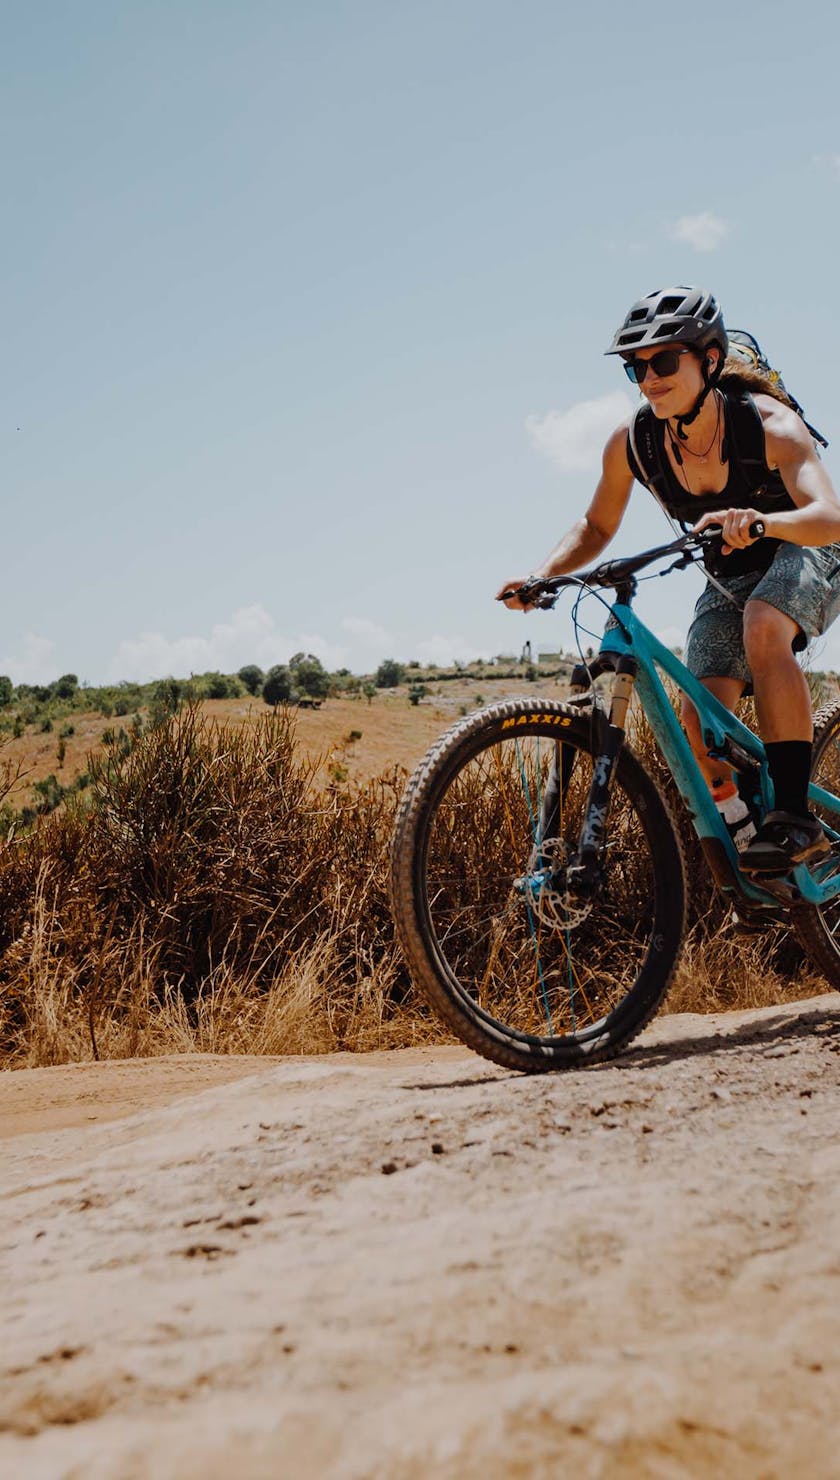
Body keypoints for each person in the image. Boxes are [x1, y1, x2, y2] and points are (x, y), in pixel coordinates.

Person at [498, 285, 840, 871]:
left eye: (663, 362)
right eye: (636, 367)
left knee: (764, 625)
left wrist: (761, 522)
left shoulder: (770, 426)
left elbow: (829, 517)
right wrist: (542, 574)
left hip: (807, 547)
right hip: (730, 572)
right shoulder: (634, 442)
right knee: (697, 720)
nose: (648, 379)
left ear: (710, 359)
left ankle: (793, 817)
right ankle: (751, 855)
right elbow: (596, 525)